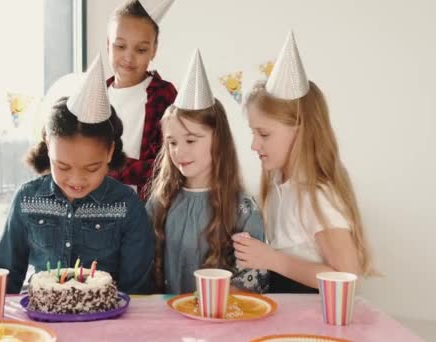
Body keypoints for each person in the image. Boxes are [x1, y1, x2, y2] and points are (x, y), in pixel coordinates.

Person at [0, 55, 154, 294]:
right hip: (42, 322)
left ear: (110, 152)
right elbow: (5, 280)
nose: (76, 181)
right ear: (48, 144)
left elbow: (137, 291)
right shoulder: (27, 199)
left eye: (91, 168)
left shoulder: (126, 205)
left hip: (106, 324)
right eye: (63, 167)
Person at [234, 32, 373, 293]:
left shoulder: (317, 196)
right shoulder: (277, 184)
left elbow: (348, 277)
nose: (254, 145)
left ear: (301, 131)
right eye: (253, 133)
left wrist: (271, 259)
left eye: (264, 134)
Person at [148, 50, 267, 294]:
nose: (179, 151)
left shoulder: (242, 209)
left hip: (221, 320)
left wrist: (210, 302)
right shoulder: (159, 203)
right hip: (167, 322)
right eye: (172, 142)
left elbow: (253, 278)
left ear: (218, 141)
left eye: (191, 140)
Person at [106, 0, 177, 200]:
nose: (128, 57)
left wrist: (107, 166)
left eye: (141, 50)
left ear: (154, 49)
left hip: (144, 210)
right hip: (97, 208)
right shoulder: (98, 94)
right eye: (120, 46)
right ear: (108, 45)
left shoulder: (163, 95)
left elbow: (166, 165)